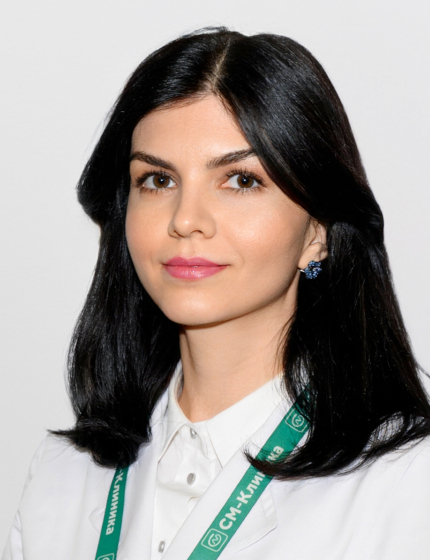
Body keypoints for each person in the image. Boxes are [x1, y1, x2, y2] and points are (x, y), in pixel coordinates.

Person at [3, 26, 430, 560]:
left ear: (317, 231)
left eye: (241, 180)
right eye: (157, 180)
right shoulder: (62, 476)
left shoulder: (409, 484)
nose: (185, 219)